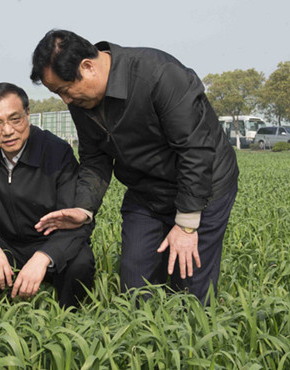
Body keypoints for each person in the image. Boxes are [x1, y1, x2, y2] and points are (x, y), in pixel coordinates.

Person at [31, 30, 239, 304]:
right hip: (146, 193)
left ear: (88, 66)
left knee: (190, 292)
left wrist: (187, 224)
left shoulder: (159, 75)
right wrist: (84, 207)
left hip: (204, 188)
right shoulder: (82, 99)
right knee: (135, 288)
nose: (66, 100)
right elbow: (95, 157)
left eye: (64, 90)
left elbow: (195, 150)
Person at [0, 82, 95, 308]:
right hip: (4, 245)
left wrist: (44, 256)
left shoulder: (57, 151)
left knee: (81, 261)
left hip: (48, 244)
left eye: (15, 119)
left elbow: (76, 221)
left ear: (28, 114)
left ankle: (68, 318)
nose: (8, 131)